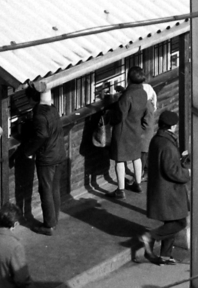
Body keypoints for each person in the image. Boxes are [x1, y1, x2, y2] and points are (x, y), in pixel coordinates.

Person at [141, 108, 190, 266]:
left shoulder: (157, 139)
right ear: (172, 126)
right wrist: (187, 172)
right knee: (179, 222)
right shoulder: (167, 145)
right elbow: (171, 171)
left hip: (161, 189)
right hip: (169, 191)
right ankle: (150, 236)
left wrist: (180, 160)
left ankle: (165, 255)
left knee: (172, 221)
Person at [27, 79, 64, 234]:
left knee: (46, 190)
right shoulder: (53, 109)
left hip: (47, 157)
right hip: (59, 153)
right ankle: (55, 218)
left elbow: (41, 134)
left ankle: (49, 224)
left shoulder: (39, 116)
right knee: (54, 188)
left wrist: (29, 151)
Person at [111, 66, 154, 198]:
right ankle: (138, 183)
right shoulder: (143, 93)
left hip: (123, 131)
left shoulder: (126, 96)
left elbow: (120, 116)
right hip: (136, 129)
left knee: (120, 160)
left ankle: (120, 190)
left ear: (128, 78)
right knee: (136, 157)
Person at [81, 90, 119, 195]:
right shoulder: (115, 107)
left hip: (103, 141)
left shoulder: (105, 112)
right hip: (112, 139)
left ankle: (119, 188)